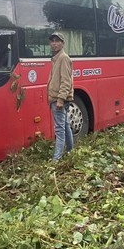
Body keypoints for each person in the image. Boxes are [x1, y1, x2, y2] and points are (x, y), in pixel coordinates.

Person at [47, 32, 74, 160]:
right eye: (52, 41)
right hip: (57, 98)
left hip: (58, 99)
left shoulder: (63, 58)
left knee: (59, 130)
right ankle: (70, 152)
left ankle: (55, 160)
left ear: (63, 43)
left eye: (57, 41)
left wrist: (60, 99)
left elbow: (66, 81)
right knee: (65, 125)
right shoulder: (56, 58)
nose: (54, 43)